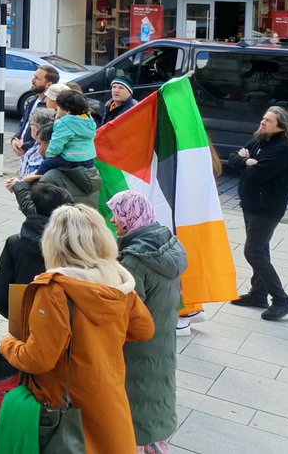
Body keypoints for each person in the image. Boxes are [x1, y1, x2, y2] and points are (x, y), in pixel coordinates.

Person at [0, 204, 155, 454]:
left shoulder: (55, 291)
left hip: (65, 403)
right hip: (108, 394)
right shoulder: (118, 282)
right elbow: (144, 329)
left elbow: (37, 359)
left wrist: (7, 343)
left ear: (53, 244)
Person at [108, 190, 188, 453]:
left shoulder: (134, 259)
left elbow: (129, 312)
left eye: (116, 215)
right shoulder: (168, 243)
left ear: (130, 217)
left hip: (138, 345)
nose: (112, 221)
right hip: (163, 334)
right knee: (157, 389)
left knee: (138, 395)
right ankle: (156, 444)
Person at [227, 107, 288, 320]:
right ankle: (258, 294)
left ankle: (282, 300)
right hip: (250, 205)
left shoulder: (284, 150)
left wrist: (248, 163)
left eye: (268, 121)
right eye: (263, 119)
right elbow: (232, 158)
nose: (262, 123)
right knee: (261, 249)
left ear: (280, 127)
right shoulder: (259, 139)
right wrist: (246, 161)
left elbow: (257, 175)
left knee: (254, 252)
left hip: (267, 209)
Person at [0, 184, 74, 318]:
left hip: (23, 314)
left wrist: (16, 317)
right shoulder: (75, 245)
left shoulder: (15, 243)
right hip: (61, 319)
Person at [8, 115, 101, 213]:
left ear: (52, 144)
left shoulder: (50, 178)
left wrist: (20, 186)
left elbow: (35, 211)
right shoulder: (90, 170)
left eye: (39, 144)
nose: (39, 149)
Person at [28, 88, 97, 179]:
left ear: (68, 111)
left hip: (72, 159)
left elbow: (57, 144)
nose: (57, 110)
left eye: (59, 108)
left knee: (46, 164)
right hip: (89, 158)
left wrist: (50, 156)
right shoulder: (88, 120)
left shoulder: (64, 123)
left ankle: (33, 179)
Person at [10, 64, 59, 157]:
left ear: (49, 84)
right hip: (24, 154)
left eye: (37, 78)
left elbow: (43, 136)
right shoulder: (32, 100)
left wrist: (23, 146)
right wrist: (15, 139)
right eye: (34, 76)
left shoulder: (50, 108)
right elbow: (23, 123)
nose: (33, 80)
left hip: (36, 156)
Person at [17, 107, 55, 179]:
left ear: (39, 127)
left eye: (32, 124)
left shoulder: (46, 147)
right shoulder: (35, 143)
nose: (30, 126)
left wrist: (20, 183)